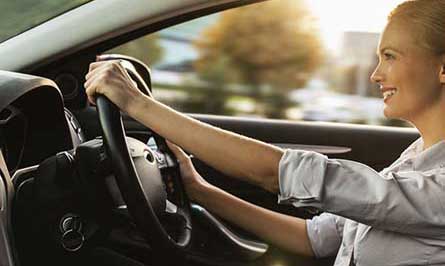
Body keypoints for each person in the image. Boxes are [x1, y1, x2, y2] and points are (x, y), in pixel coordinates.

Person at [84, 0, 445, 264]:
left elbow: (275, 173)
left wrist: (137, 104)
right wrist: (201, 190)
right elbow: (315, 238)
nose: (375, 74)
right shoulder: (414, 159)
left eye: (391, 56)